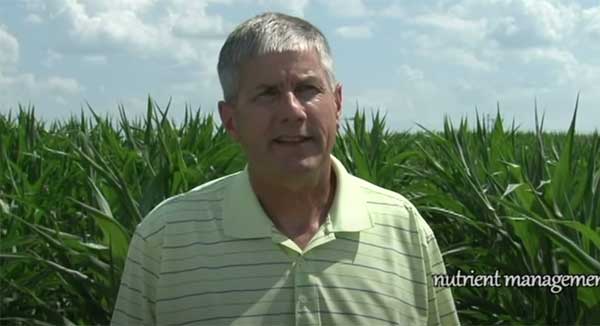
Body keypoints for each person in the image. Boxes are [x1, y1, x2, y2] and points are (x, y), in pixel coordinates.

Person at [111, 12, 460, 326]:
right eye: (267, 94)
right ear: (231, 120)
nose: (292, 111)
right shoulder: (166, 238)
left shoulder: (404, 227)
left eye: (308, 89)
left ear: (337, 105)